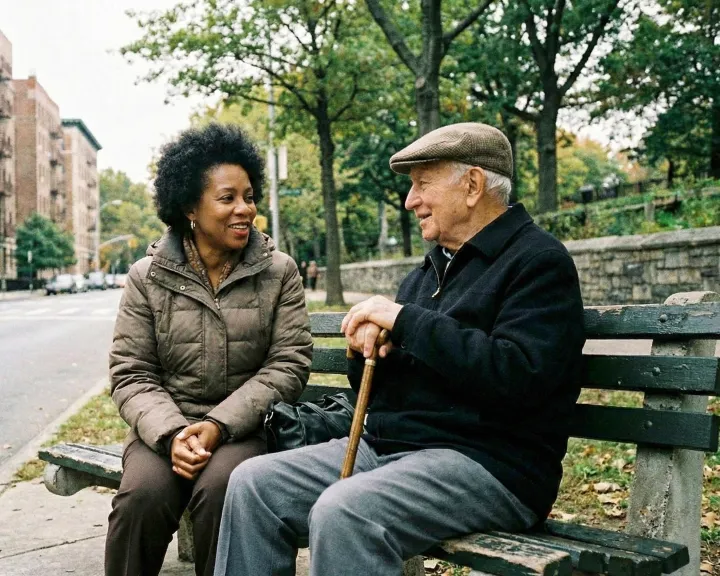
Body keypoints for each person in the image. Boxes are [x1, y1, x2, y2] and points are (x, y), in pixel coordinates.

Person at [213, 122, 585, 576]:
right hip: (395, 448)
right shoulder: (427, 273)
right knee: (254, 483)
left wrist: (408, 322)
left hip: (492, 465)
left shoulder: (538, 262)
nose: (411, 201)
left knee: (346, 510)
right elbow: (384, 393)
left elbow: (519, 375)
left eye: (422, 185)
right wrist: (367, 351)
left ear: (472, 185)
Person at [105, 123, 313, 576]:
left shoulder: (279, 272)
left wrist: (218, 425)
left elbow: (288, 366)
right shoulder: (147, 276)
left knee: (223, 489)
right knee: (141, 496)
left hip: (245, 430)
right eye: (228, 198)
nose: (245, 210)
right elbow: (131, 372)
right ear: (189, 208)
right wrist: (173, 433)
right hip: (164, 429)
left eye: (250, 196)